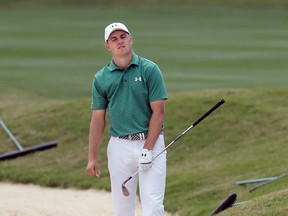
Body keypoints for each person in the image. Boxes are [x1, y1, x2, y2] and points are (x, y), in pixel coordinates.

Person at [86, 22, 168, 216]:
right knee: (122, 208)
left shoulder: (149, 69)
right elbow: (98, 118)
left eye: (123, 37)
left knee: (153, 206)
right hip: (119, 147)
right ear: (108, 46)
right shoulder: (101, 78)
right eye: (114, 39)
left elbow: (159, 112)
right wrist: (91, 157)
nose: (120, 41)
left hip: (152, 144)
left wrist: (148, 149)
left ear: (131, 39)